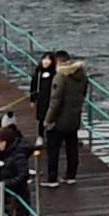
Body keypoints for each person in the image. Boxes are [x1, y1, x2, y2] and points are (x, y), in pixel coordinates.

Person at [30, 48, 91, 183]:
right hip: (74, 117)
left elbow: (55, 102)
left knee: (53, 149)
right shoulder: (81, 76)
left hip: (59, 120)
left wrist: (47, 120)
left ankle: (52, 179)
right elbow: (83, 94)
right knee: (72, 147)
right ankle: (71, 176)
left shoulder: (60, 77)